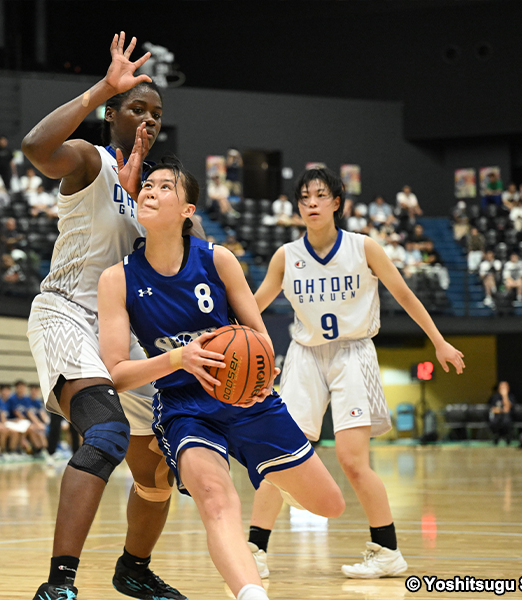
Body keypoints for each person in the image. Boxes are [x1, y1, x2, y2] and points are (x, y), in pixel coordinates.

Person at [97, 161, 345, 600]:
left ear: (187, 209)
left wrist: (260, 370)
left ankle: (271, 471)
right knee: (216, 500)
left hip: (248, 400)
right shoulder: (117, 278)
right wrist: (177, 358)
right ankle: (250, 593)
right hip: (185, 409)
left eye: (164, 187)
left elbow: (262, 343)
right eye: (147, 186)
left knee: (330, 506)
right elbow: (116, 374)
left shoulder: (219, 260)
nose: (150, 191)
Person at [21, 33, 186, 600]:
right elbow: (36, 148)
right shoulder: (90, 160)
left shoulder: (147, 196)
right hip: (66, 313)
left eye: (156, 112)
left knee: (156, 469)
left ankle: (133, 570)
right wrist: (100, 89)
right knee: (107, 432)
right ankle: (58, 583)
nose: (147, 118)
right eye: (136, 107)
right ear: (113, 112)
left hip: (118, 333)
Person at [244, 167, 464, 580]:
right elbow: (251, 306)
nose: (311, 203)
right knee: (277, 456)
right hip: (304, 355)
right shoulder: (286, 257)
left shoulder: (364, 248)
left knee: (352, 461)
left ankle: (387, 551)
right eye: (304, 197)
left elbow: (404, 293)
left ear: (337, 202)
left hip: (352, 353)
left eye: (320, 195)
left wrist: (439, 341)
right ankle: (255, 550)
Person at [488, 381, 515, 445]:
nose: (503, 389)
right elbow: (493, 409)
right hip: (497, 416)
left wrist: (505, 396)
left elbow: (508, 409)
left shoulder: (510, 397)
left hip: (507, 416)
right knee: (494, 421)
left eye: (504, 387)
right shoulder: (495, 397)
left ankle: (507, 437)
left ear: (508, 388)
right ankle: (496, 437)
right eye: (501, 387)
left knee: (506, 421)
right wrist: (502, 410)